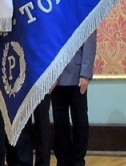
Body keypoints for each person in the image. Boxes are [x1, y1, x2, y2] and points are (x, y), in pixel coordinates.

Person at [50, 32, 97, 166]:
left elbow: (89, 43)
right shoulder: (51, 12)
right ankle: (63, 159)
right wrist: (50, 74)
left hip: (78, 76)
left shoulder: (82, 11)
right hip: (56, 77)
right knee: (60, 122)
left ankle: (78, 159)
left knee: (80, 120)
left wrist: (86, 74)